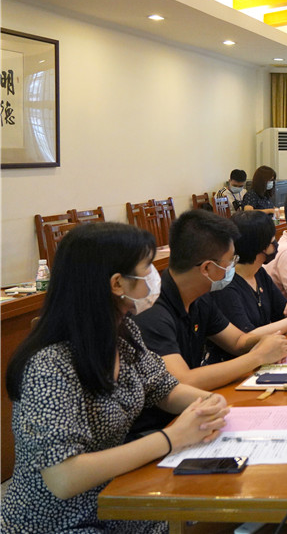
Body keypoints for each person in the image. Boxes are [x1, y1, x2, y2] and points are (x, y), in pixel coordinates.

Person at [2, 223, 229, 534]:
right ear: (117, 283)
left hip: (118, 497)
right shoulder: (49, 365)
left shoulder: (123, 331)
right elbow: (63, 477)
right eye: (147, 267)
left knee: (221, 511)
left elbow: (163, 389)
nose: (156, 275)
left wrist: (207, 402)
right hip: (62, 521)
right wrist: (171, 438)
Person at [130, 210, 287, 433]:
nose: (233, 267)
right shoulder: (152, 310)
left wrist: (266, 342)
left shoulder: (200, 297)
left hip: (197, 409)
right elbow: (181, 381)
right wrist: (258, 356)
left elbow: (237, 341)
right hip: (161, 426)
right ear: (207, 268)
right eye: (231, 261)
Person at [205, 211, 287, 363]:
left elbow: (282, 311)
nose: (276, 244)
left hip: (267, 355)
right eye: (272, 240)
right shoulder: (225, 285)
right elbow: (247, 337)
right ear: (260, 246)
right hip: (237, 363)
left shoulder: (259, 273)